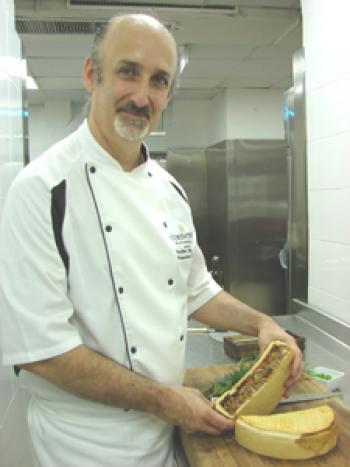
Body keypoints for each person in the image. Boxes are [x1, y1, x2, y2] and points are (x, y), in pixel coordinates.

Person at [0, 13, 303, 467]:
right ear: (91, 75)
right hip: (85, 444)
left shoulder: (169, 189)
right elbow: (43, 352)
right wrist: (165, 400)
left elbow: (196, 289)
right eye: (128, 72)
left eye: (159, 80)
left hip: (171, 428)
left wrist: (263, 324)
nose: (142, 96)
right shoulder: (41, 190)